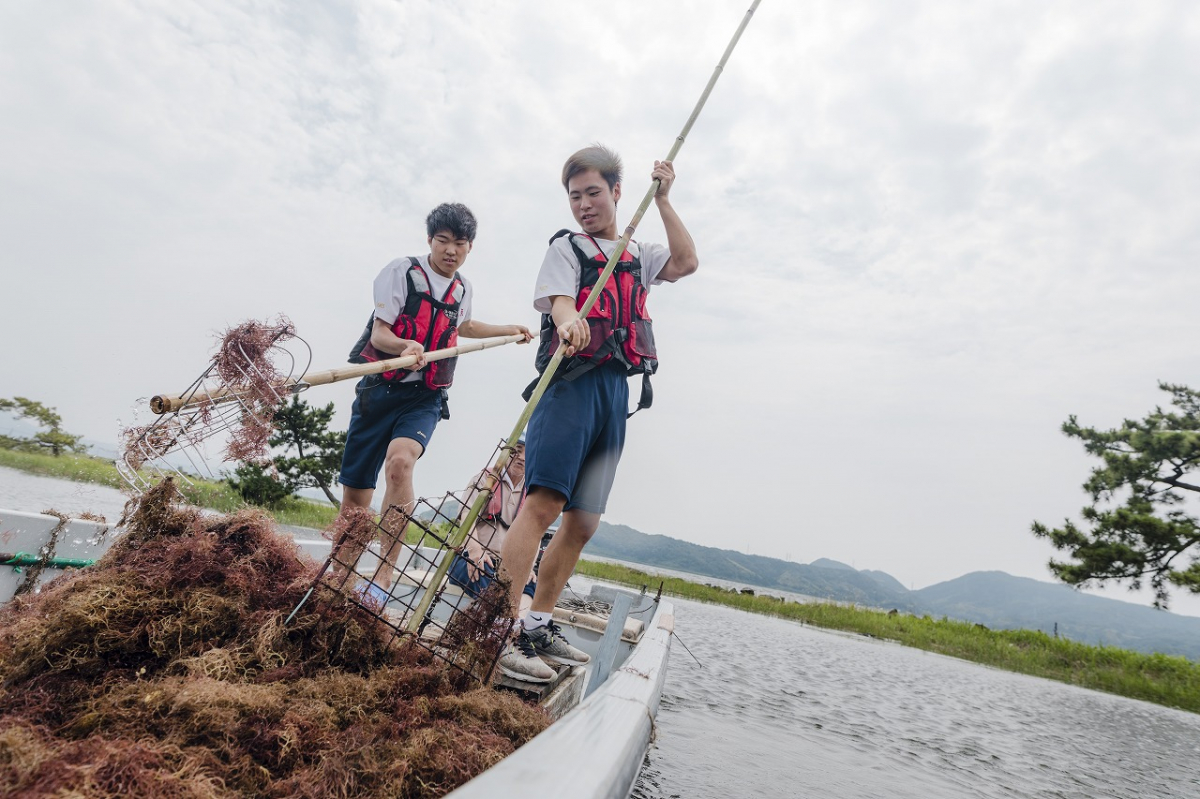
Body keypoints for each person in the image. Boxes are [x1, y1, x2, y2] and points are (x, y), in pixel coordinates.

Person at [496, 145, 699, 682]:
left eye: (593, 193)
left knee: (583, 521)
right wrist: (567, 320)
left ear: (615, 192)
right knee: (542, 504)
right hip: (568, 385)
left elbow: (686, 261)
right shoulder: (568, 247)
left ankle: (537, 623)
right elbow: (560, 301)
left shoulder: (635, 252)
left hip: (614, 393)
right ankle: (496, 629)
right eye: (574, 196)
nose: (584, 205)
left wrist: (664, 199)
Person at [334, 202, 531, 606]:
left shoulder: (463, 288)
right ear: (430, 240)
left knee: (401, 462)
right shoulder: (401, 272)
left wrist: (508, 329)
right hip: (379, 391)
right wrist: (404, 345)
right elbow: (381, 332)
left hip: (424, 396)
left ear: (469, 247)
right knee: (356, 501)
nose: (450, 251)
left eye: (459, 244)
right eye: (443, 241)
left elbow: (465, 326)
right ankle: (338, 579)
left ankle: (384, 576)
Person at [447, 437, 537, 615]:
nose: (522, 457)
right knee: (489, 580)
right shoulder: (485, 479)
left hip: (505, 565)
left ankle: (516, 625)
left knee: (531, 583)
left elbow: (536, 534)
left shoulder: (533, 492)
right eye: (517, 450)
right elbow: (467, 516)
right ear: (507, 451)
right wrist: (475, 552)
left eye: (529, 453)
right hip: (471, 557)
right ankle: (501, 626)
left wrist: (529, 567)